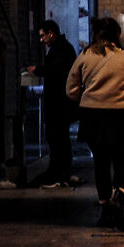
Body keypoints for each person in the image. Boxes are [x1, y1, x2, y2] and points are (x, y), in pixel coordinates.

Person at [66, 18, 124, 233]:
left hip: (93, 116)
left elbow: (71, 90)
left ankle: (104, 210)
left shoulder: (84, 57)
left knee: (100, 163)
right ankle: (119, 196)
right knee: (123, 161)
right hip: (122, 116)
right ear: (117, 35)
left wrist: (88, 95)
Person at [33, 18, 78, 186]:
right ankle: (60, 172)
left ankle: (59, 172)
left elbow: (54, 71)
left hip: (59, 104)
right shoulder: (63, 48)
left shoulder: (61, 49)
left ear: (51, 34)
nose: (41, 40)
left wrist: (38, 70)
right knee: (58, 138)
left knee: (58, 138)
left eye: (43, 36)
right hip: (61, 103)